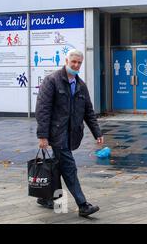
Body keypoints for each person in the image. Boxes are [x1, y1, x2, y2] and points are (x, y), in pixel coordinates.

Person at [35, 49, 104, 217]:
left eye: (79, 62)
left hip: (71, 134)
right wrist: (42, 136)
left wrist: (97, 133)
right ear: (66, 60)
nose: (76, 65)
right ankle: (83, 205)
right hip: (56, 134)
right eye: (73, 61)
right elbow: (42, 110)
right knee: (69, 167)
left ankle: (48, 198)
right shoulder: (52, 81)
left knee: (58, 167)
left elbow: (88, 111)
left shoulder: (81, 86)